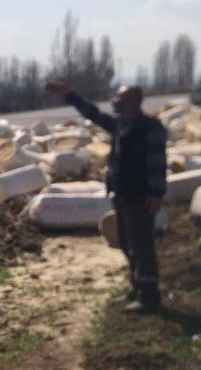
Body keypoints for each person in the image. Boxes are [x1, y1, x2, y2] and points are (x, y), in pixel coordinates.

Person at [46, 81, 167, 312]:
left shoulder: (149, 128)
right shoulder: (122, 125)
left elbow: (157, 163)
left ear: (131, 102)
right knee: (127, 243)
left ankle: (150, 298)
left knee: (142, 248)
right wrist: (70, 95)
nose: (114, 100)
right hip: (122, 195)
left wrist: (155, 194)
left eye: (119, 98)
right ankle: (137, 287)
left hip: (140, 198)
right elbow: (93, 114)